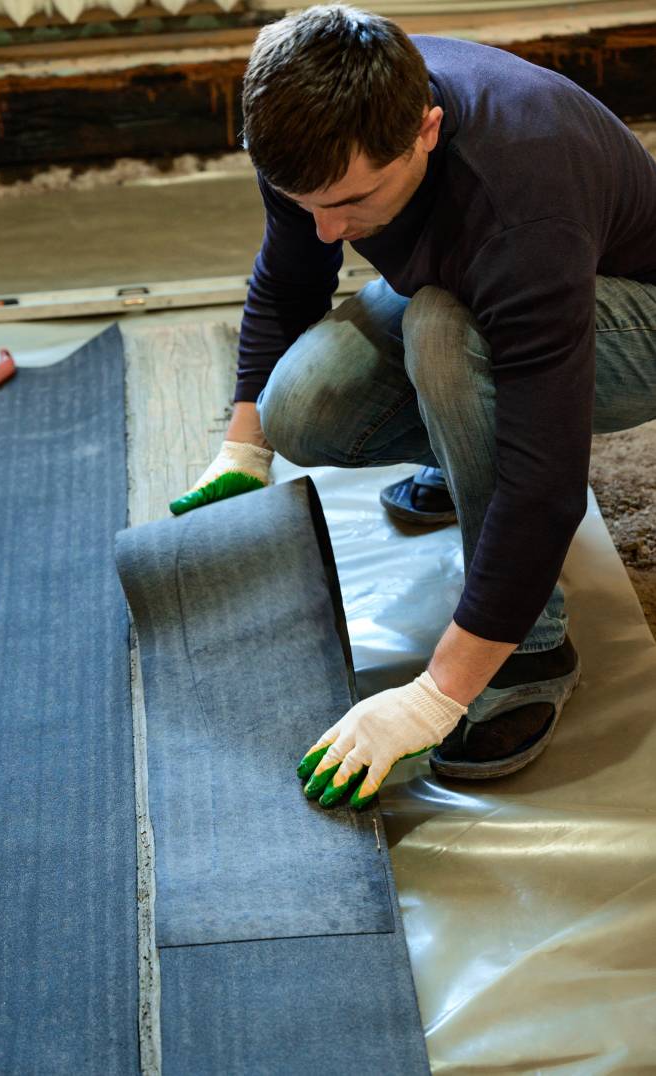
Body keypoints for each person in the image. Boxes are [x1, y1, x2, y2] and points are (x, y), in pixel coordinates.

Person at [169, 5, 656, 809]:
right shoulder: (309, 120)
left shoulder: (520, 199)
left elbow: (545, 483)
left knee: (441, 334)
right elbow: (289, 280)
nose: (328, 229)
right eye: (307, 201)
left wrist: (436, 695)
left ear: (426, 131)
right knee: (300, 406)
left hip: (630, 313)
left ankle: (533, 652)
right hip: (486, 292)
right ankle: (458, 445)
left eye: (353, 201)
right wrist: (245, 449)